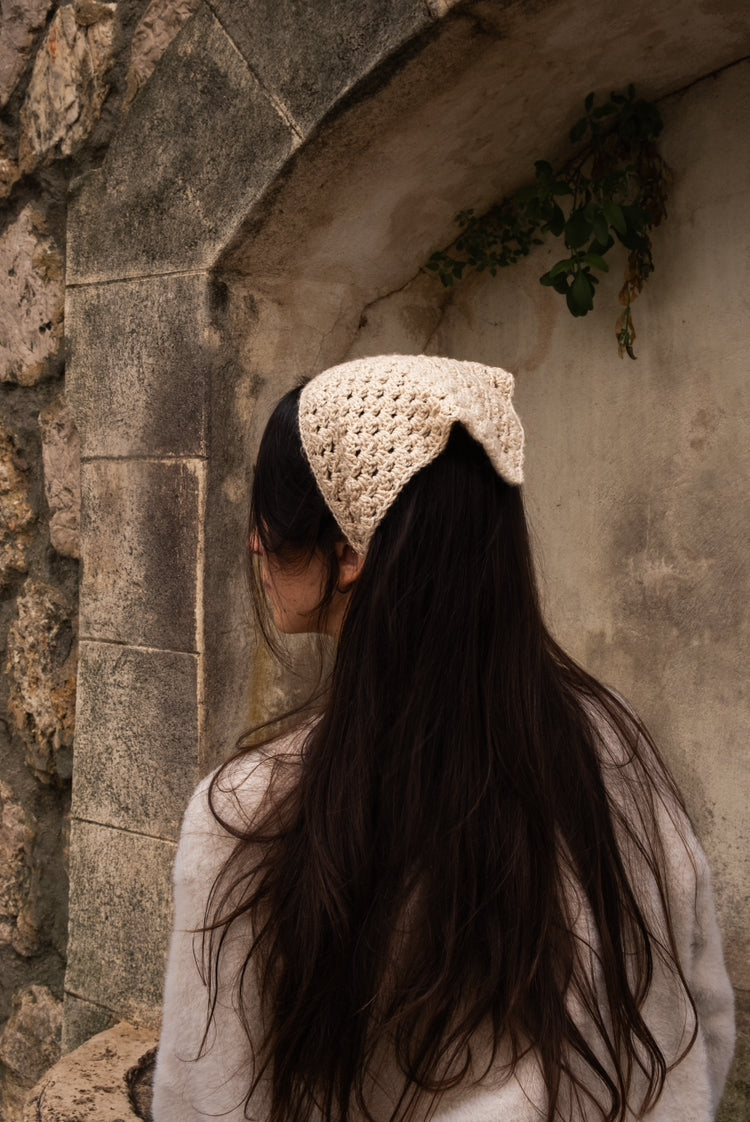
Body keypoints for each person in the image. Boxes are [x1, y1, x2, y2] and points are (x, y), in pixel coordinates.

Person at [152, 355, 735, 1122]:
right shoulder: (618, 751)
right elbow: (701, 1024)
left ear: (351, 552)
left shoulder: (250, 815)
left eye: (272, 515)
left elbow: (207, 1099)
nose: (257, 544)